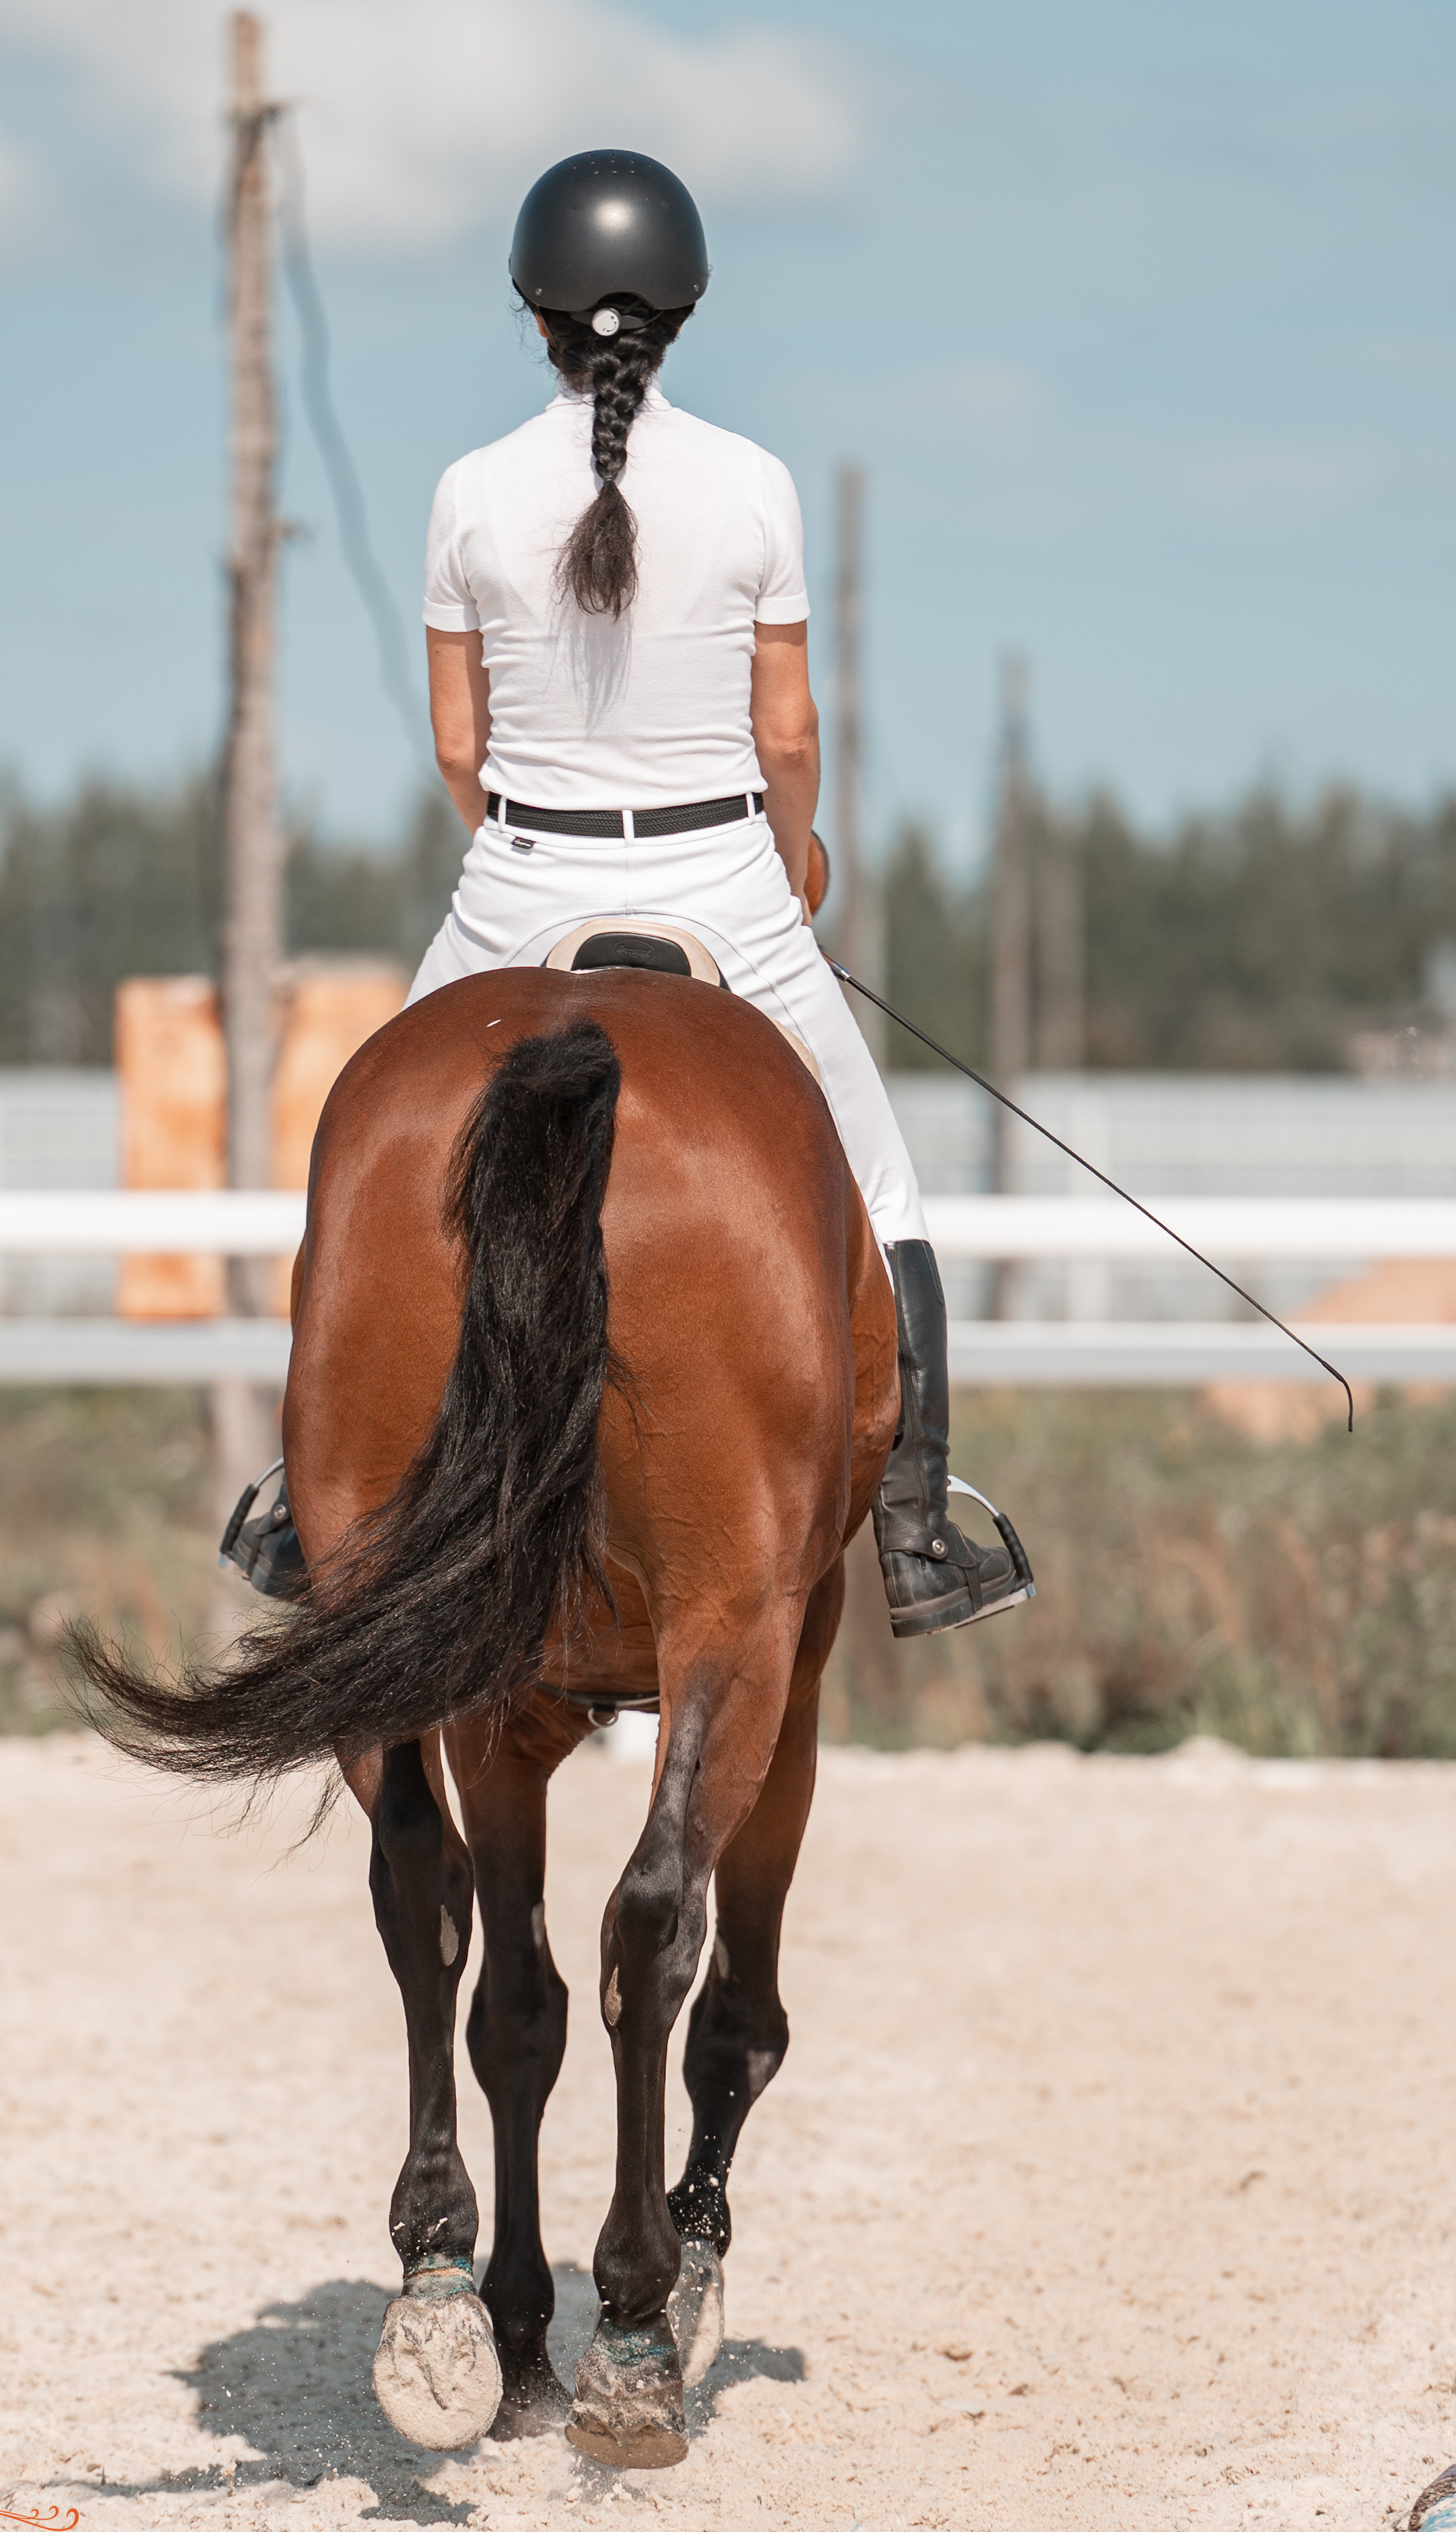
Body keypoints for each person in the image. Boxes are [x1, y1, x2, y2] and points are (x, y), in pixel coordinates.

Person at [394, 149, 1034, 1639]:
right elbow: (789, 731)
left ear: (530, 313)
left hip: (520, 876)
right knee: (878, 1188)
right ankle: (920, 1524)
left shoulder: (468, 491)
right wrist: (793, 862)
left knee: (367, 1151)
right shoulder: (752, 483)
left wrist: (519, 844)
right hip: (725, 880)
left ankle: (312, 1499)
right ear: (683, 311)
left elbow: (452, 744)